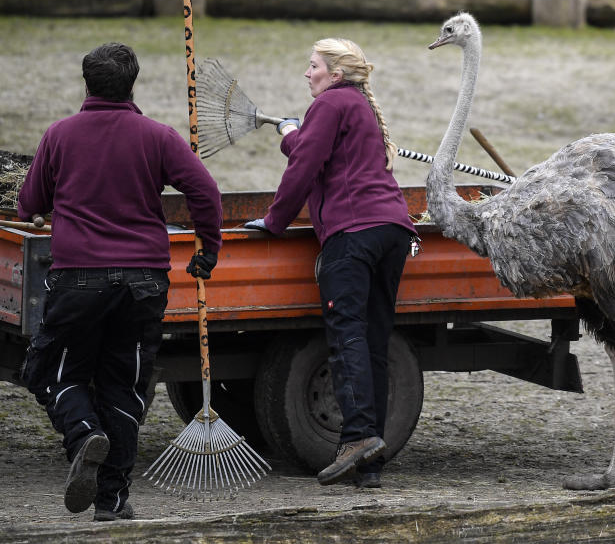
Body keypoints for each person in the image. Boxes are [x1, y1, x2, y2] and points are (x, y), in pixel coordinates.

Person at [17, 42, 222, 520]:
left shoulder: (60, 135)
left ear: (86, 84)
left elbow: (29, 202)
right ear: (133, 84)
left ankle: (84, 432)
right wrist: (208, 247)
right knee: (124, 386)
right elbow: (205, 189)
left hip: (78, 279)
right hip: (143, 282)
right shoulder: (159, 137)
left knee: (50, 372)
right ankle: (112, 500)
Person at [245, 37, 417, 489]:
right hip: (393, 231)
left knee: (348, 339)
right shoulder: (357, 104)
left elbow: (304, 167)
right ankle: (370, 465)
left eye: (314, 65)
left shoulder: (329, 104)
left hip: (353, 235)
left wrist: (275, 221)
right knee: (374, 343)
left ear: (335, 74)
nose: (307, 73)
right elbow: (318, 152)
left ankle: (358, 436)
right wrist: (290, 134)